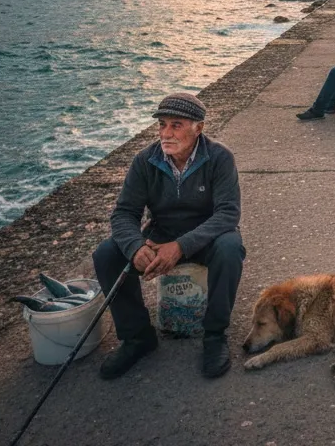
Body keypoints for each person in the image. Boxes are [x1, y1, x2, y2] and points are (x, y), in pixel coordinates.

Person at [92, 93, 245, 380]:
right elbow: (124, 213)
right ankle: (137, 337)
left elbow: (227, 214)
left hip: (204, 235)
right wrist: (136, 247)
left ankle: (214, 335)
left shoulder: (219, 157)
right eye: (162, 125)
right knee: (107, 253)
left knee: (230, 247)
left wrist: (181, 247)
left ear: (198, 128)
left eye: (176, 125)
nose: (166, 133)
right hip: (160, 233)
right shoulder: (145, 160)